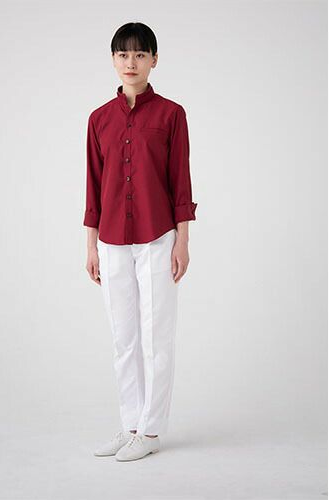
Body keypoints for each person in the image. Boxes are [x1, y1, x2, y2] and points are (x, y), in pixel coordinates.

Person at [83, 22, 198, 462]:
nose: (131, 63)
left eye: (139, 54)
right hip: (111, 239)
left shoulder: (171, 115)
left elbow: (180, 180)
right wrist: (91, 246)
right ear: (113, 60)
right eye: (123, 55)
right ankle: (130, 423)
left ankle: (150, 431)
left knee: (156, 336)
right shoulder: (98, 119)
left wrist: (182, 242)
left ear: (154, 60)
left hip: (157, 238)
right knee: (123, 338)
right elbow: (94, 186)